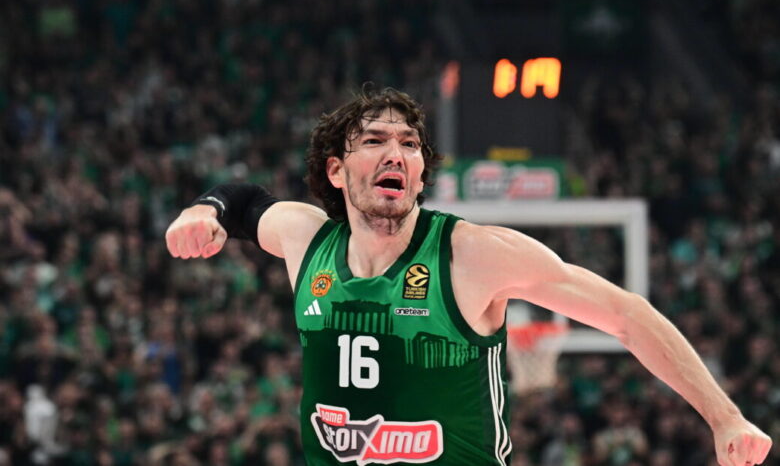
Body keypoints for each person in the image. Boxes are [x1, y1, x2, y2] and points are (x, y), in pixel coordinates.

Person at [165, 87, 772, 465]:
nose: (395, 152)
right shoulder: (307, 239)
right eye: (373, 140)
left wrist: (724, 417)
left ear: (421, 173)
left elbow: (626, 315)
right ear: (336, 170)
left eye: (409, 144)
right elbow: (244, 202)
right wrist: (202, 211)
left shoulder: (471, 255)